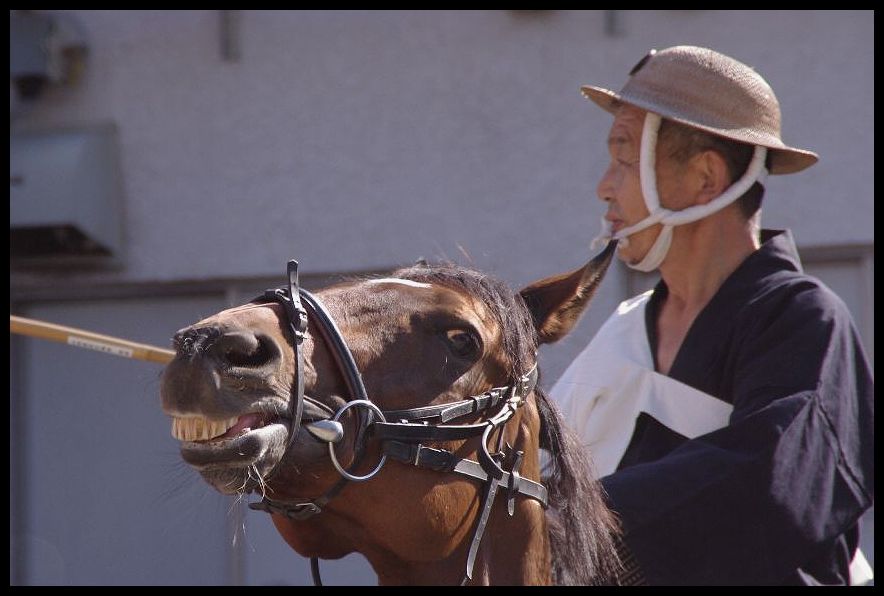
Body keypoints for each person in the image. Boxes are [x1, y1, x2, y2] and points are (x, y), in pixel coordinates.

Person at [549, 45, 874, 585]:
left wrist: (579, 519)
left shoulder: (803, 319)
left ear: (705, 177)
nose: (605, 185)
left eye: (624, 156)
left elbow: (772, 482)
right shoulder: (627, 328)